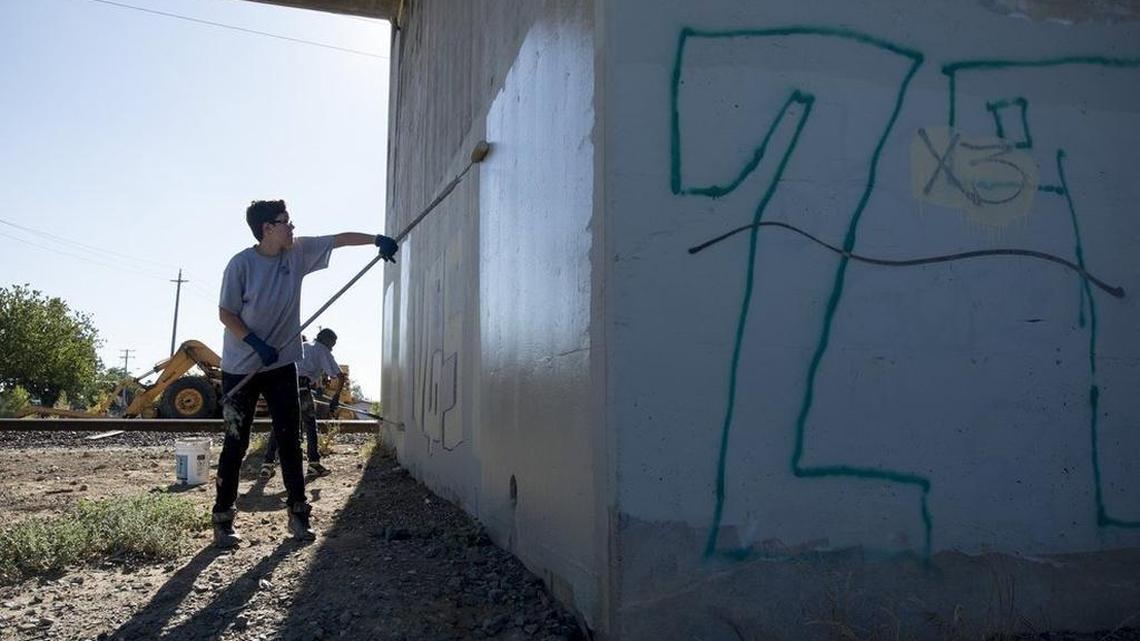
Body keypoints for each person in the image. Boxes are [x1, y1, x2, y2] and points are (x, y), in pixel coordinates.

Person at [212, 199, 397, 548]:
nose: (292, 227)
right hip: (242, 367)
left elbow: (338, 239)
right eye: (286, 222)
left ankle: (298, 516)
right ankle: (223, 518)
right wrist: (254, 342)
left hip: (282, 364)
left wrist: (377, 240)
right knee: (235, 444)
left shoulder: (296, 252)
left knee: (289, 440)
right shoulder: (241, 265)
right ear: (268, 228)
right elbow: (226, 313)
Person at [260, 327, 346, 479]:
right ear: (327, 340)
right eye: (333, 343)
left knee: (279, 424)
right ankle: (313, 463)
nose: (333, 347)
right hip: (301, 388)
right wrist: (336, 397)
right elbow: (339, 376)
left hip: (283, 386)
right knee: (310, 424)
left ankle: (267, 464)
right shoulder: (323, 350)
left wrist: (317, 386)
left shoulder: (304, 346)